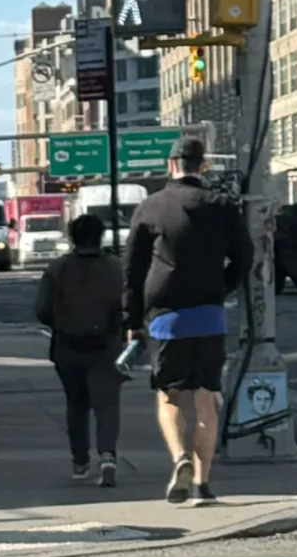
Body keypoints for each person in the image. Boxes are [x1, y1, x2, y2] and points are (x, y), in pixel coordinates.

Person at [122, 134, 252, 505]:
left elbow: (132, 270)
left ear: (170, 165)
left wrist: (132, 319)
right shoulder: (222, 206)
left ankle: (179, 457)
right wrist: (221, 287)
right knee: (206, 400)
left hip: (167, 316)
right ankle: (202, 483)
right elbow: (245, 257)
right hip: (210, 314)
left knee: (170, 396)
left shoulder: (151, 207)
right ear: (202, 166)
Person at [34, 212, 125, 486]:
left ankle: (80, 460)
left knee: (76, 404)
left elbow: (42, 309)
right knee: (107, 403)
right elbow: (129, 304)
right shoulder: (116, 268)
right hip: (106, 344)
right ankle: (107, 455)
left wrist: (60, 323)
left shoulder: (58, 269)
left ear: (73, 238)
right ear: (101, 237)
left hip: (68, 345)